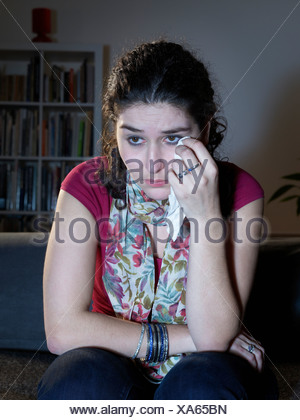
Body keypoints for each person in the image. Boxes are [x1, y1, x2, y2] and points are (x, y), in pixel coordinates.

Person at [37, 40, 278, 400]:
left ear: (205, 131)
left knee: (201, 386)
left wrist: (205, 213)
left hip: (205, 365)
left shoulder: (242, 191)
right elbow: (60, 330)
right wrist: (179, 338)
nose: (151, 163)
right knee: (79, 381)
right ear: (114, 130)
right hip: (112, 359)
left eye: (172, 138)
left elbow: (212, 340)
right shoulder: (84, 186)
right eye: (134, 138)